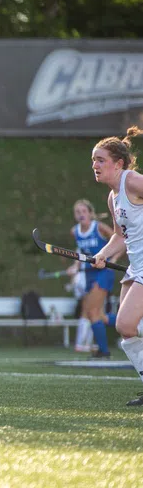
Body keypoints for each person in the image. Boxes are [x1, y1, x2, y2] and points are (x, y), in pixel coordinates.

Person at [88, 126, 143, 405]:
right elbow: (120, 237)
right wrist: (103, 254)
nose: (95, 165)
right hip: (136, 266)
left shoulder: (131, 181)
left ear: (118, 163)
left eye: (100, 160)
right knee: (128, 329)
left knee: (125, 322)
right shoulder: (112, 197)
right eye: (93, 161)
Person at [66, 200, 115, 357]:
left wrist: (112, 260)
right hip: (88, 274)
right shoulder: (75, 231)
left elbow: (119, 240)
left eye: (83, 211)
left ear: (90, 213)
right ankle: (135, 323)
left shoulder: (98, 227)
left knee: (92, 312)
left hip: (103, 272)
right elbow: (80, 252)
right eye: (77, 212)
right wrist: (75, 267)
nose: (81, 214)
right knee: (98, 315)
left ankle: (104, 351)